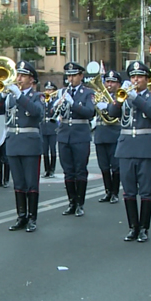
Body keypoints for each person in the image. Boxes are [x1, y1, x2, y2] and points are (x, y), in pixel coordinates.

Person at [107, 61, 151, 242]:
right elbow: (112, 113)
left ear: (147, 79)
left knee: (145, 191)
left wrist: (135, 98)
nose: (135, 80)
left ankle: (144, 228)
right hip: (126, 148)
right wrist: (119, 98)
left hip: (146, 148)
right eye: (132, 77)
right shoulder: (124, 96)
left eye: (139, 77)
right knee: (128, 191)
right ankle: (133, 227)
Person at [0, 61, 43, 232]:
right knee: (19, 183)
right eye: (17, 75)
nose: (18, 79)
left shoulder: (37, 96)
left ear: (31, 79)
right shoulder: (10, 96)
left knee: (31, 183)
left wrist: (19, 96)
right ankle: (21, 216)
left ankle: (32, 218)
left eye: (22, 76)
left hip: (30, 144)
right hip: (13, 142)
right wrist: (1, 95)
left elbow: (37, 113)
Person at [55, 62, 95, 217]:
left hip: (80, 135)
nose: (70, 79)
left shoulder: (87, 93)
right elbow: (53, 112)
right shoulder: (62, 92)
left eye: (73, 75)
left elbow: (89, 112)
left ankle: (80, 203)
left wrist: (73, 104)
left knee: (80, 170)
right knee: (68, 171)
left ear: (81, 76)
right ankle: (71, 202)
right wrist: (55, 106)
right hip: (64, 134)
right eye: (68, 75)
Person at [93, 70, 122, 203]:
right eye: (107, 82)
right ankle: (107, 191)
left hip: (115, 133)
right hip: (100, 134)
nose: (109, 84)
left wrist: (108, 106)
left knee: (115, 166)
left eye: (113, 82)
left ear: (118, 84)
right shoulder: (99, 95)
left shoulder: (121, 96)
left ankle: (115, 192)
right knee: (103, 166)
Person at [40, 81, 58, 178]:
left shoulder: (55, 101)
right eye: (47, 89)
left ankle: (52, 169)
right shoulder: (42, 101)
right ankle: (46, 169)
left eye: (50, 90)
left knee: (53, 149)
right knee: (45, 150)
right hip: (44, 127)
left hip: (52, 127)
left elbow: (55, 112)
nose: (48, 91)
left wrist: (52, 102)